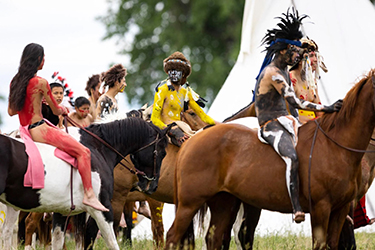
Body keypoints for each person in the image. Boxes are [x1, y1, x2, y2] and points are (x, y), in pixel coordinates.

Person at [254, 9, 342, 223]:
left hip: (288, 122)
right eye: (293, 51)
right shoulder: (273, 73)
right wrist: (327, 109)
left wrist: (307, 47)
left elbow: (300, 56)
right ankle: (296, 207)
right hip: (271, 125)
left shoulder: (283, 68)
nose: (297, 55)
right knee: (292, 157)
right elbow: (294, 101)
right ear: (283, 51)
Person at [8, 43, 108, 212]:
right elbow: (56, 110)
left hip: (23, 130)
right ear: (37, 60)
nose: (44, 61)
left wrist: (37, 102)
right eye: (43, 57)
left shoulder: (15, 82)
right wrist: (63, 109)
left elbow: (11, 111)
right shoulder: (41, 82)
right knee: (84, 152)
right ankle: (89, 195)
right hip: (39, 129)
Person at [151, 51, 216, 144]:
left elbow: (202, 115)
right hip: (166, 131)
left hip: (183, 128)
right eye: (171, 70)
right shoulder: (162, 90)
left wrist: (215, 126)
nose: (173, 73)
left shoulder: (185, 93)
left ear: (184, 74)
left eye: (177, 70)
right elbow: (154, 119)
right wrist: (171, 130)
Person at [289, 37, 327, 123]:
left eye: (316, 56)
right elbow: (287, 113)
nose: (315, 60)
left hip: (313, 130)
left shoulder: (312, 82)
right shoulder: (290, 79)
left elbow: (319, 112)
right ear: (299, 60)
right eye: (311, 56)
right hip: (296, 129)